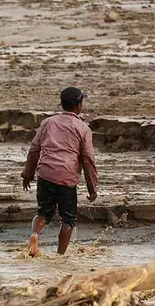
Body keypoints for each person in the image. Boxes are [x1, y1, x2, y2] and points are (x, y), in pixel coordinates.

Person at [21, 87, 99, 257]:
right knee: (68, 219)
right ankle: (60, 256)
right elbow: (88, 161)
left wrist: (28, 172)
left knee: (43, 212)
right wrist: (92, 189)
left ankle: (34, 235)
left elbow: (34, 150)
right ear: (79, 106)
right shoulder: (83, 129)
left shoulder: (48, 123)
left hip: (45, 174)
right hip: (67, 177)